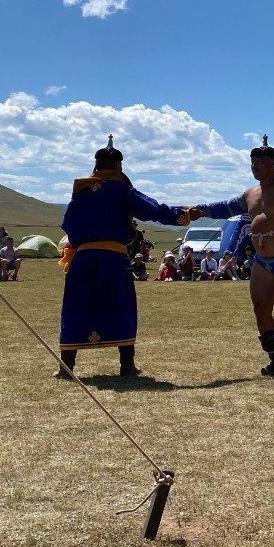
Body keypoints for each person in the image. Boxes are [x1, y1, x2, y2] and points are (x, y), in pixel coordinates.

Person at [185, 140, 274, 376]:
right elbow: (225, 207)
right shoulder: (250, 194)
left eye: (260, 162)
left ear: (273, 164)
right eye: (252, 162)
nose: (254, 166)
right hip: (262, 259)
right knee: (261, 309)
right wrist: (199, 209)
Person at [57, 136, 188, 378]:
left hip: (84, 259)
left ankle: (67, 367)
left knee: (77, 306)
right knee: (120, 304)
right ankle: (126, 365)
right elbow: (153, 209)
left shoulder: (81, 194)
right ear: (118, 167)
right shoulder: (121, 190)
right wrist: (183, 216)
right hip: (112, 259)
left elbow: (68, 224)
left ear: (96, 166)